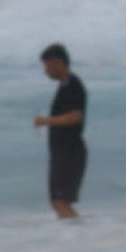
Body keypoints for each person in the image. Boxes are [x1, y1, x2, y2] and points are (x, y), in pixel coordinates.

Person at [32, 42, 87, 219]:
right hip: (64, 152)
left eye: (47, 66)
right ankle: (75, 235)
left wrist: (46, 121)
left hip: (69, 152)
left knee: (59, 200)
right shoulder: (65, 86)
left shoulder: (72, 85)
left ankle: (76, 235)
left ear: (57, 63)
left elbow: (76, 116)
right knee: (60, 201)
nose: (46, 71)